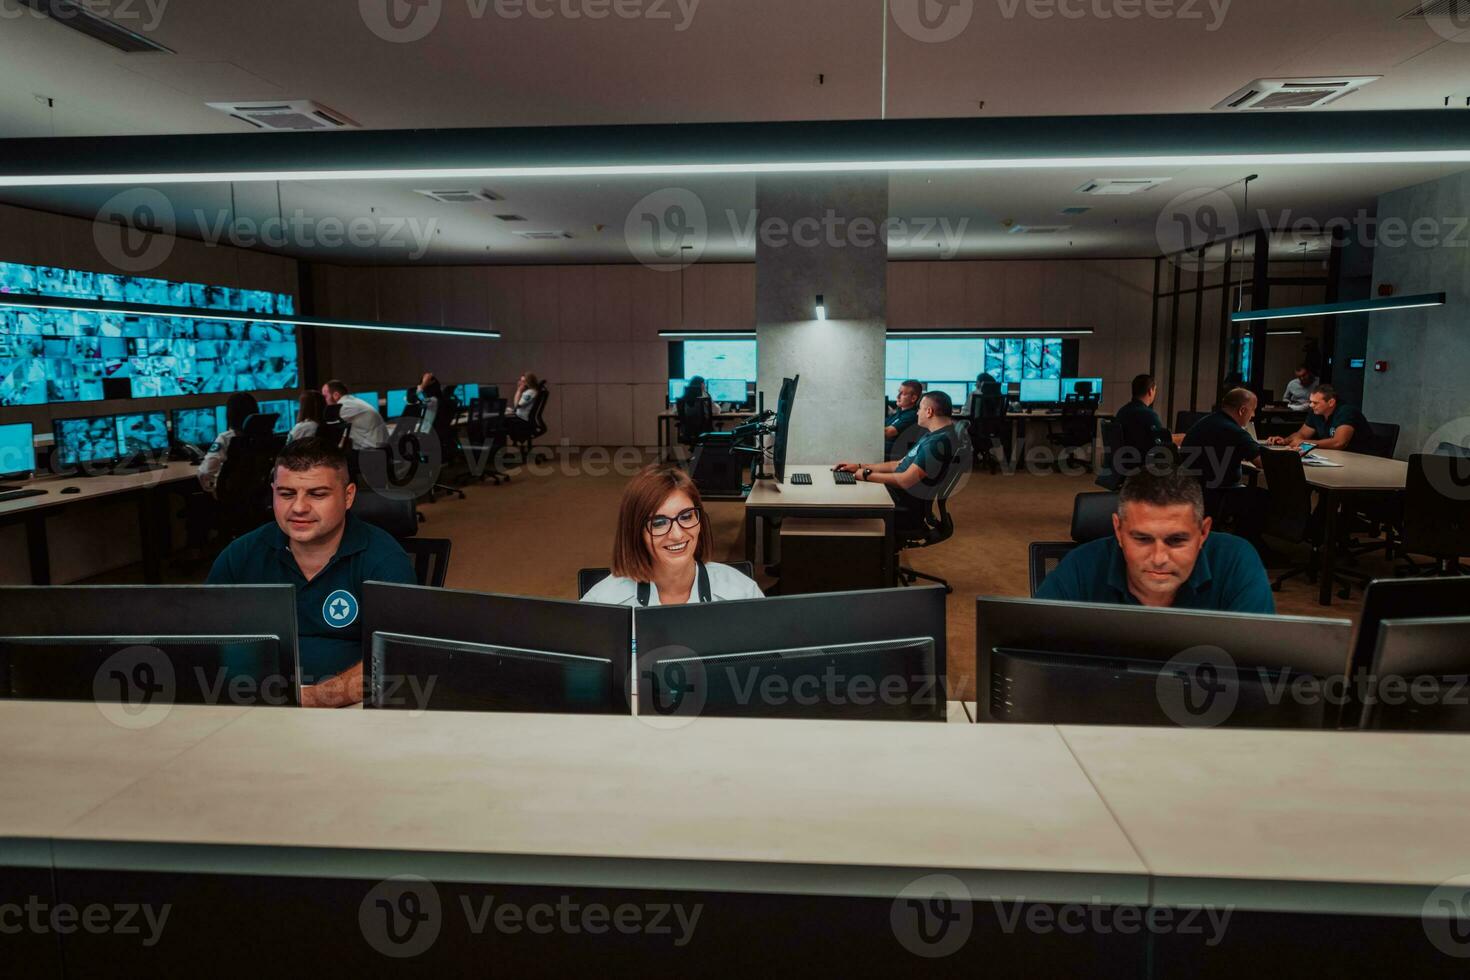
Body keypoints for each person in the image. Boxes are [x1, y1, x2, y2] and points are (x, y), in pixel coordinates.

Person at [206, 438, 417, 707]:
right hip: (254, 703)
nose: (299, 508)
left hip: (351, 706)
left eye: (317, 494)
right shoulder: (241, 555)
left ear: (348, 496)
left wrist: (312, 698)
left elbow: (396, 658)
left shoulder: (383, 560)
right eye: (286, 494)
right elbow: (206, 640)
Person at [1037, 467, 1275, 613]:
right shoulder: (1080, 567)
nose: (1159, 558)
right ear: (1118, 531)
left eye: (1177, 540)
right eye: (1142, 539)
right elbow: (1032, 658)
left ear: (1203, 533)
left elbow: (1260, 668)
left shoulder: (1236, 562)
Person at [581, 463, 764, 606]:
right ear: (635, 531)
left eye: (686, 516)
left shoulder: (743, 592)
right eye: (659, 523)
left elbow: (771, 654)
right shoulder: (604, 601)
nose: (677, 535)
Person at [835, 390, 959, 534]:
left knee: (845, 499)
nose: (917, 413)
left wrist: (866, 475)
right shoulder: (933, 435)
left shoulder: (938, 443)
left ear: (929, 411)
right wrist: (860, 466)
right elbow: (899, 463)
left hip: (902, 505)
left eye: (919, 409)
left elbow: (906, 480)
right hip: (896, 495)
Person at [1180, 388, 1269, 545]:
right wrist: (1293, 457)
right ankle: (1250, 545)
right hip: (1218, 493)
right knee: (1261, 497)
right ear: (1242, 410)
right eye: (1253, 410)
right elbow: (1262, 462)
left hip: (1192, 489)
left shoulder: (1205, 422)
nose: (1253, 415)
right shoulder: (1235, 431)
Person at [1269, 385, 1375, 453]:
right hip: (1336, 457)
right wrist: (1285, 440)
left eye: (1315, 403)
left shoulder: (1346, 412)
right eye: (1310, 401)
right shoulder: (1316, 412)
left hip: (1360, 458)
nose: (1311, 405)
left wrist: (1303, 443)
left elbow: (1339, 442)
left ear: (1331, 402)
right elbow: (1302, 434)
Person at [198, 391, 259, 496]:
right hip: (257, 497)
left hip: (231, 499)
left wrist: (216, 489)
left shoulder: (225, 438)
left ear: (230, 414)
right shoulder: (264, 437)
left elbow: (205, 473)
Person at [1113, 374, 1171, 479]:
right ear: (1150, 391)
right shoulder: (1149, 415)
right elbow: (1161, 443)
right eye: (1155, 390)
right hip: (1141, 464)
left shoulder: (1122, 411)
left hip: (1123, 461)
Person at [321, 379, 389, 449]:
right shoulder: (352, 401)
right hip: (379, 448)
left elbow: (324, 423)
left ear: (336, 395)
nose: (324, 400)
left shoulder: (345, 405)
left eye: (325, 397)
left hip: (372, 451)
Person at [884, 379, 923, 461]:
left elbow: (888, 432)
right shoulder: (899, 412)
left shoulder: (912, 415)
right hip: (885, 451)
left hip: (895, 456)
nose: (897, 396)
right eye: (899, 392)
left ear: (913, 398)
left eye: (903, 394)